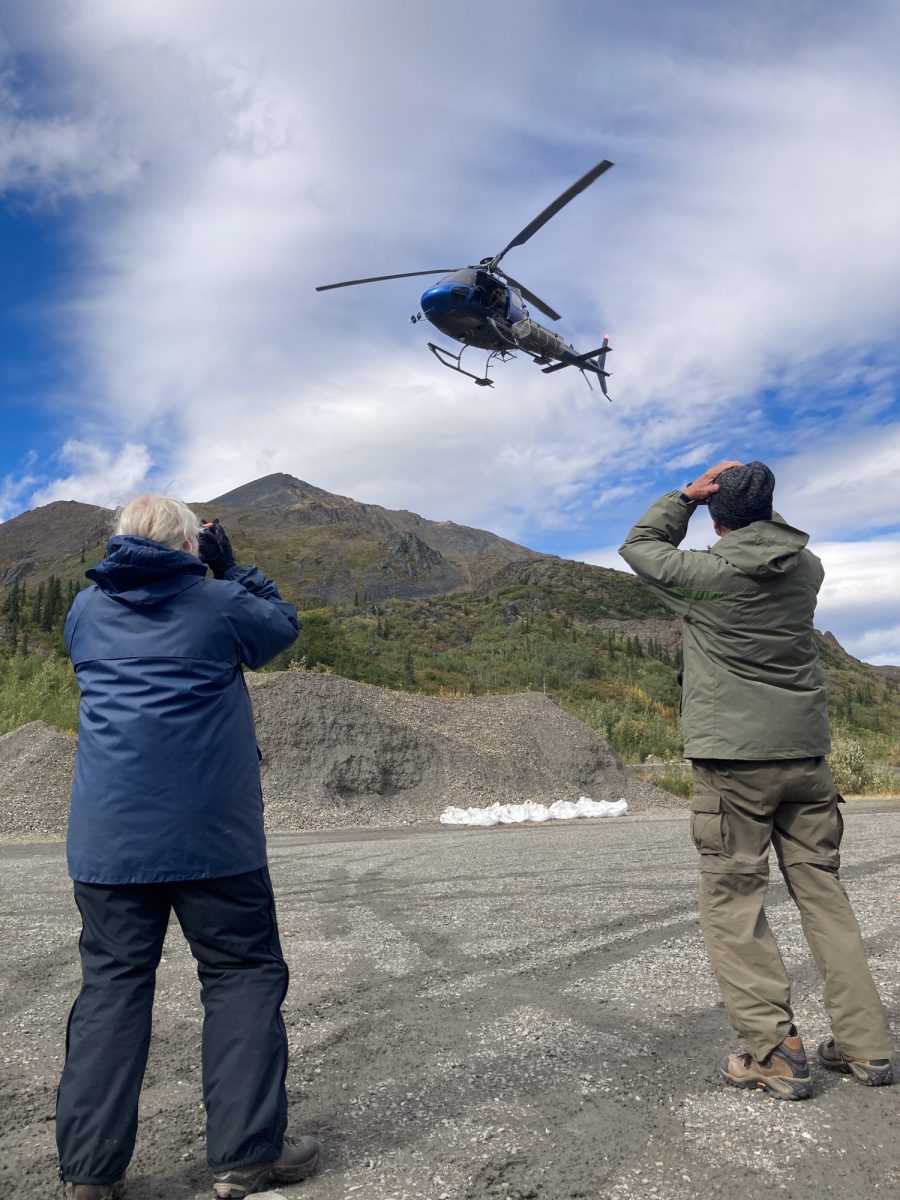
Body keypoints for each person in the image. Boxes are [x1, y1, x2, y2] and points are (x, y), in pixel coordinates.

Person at [56, 496, 320, 1198]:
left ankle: (89, 1175)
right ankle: (245, 1158)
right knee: (239, 977)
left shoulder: (83, 612)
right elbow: (283, 627)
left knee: (111, 988)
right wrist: (232, 568)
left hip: (108, 845)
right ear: (190, 545)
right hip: (215, 843)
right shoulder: (220, 605)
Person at [619, 460, 893, 1099]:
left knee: (736, 901)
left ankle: (773, 1051)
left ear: (716, 517)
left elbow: (640, 545)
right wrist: (750, 502)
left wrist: (684, 496)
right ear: (770, 510)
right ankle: (867, 1047)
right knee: (823, 893)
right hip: (806, 758)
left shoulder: (705, 577)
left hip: (734, 763)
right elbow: (773, 540)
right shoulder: (809, 570)